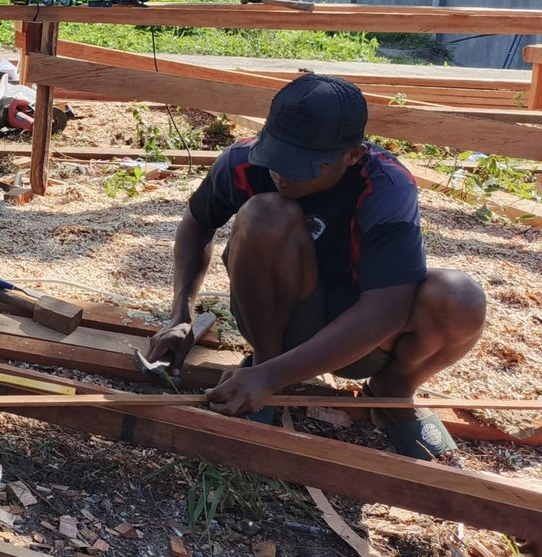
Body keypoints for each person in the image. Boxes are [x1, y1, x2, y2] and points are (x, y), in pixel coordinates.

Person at [149, 75, 486, 461]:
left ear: (353, 154)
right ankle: (264, 362)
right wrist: (181, 314)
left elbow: (386, 310)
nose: (283, 173)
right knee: (265, 212)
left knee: (461, 298)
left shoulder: (387, 186)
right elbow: (197, 223)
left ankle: (392, 393)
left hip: (362, 336)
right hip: (278, 316)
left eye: (305, 165)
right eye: (277, 157)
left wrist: (270, 379)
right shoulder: (244, 161)